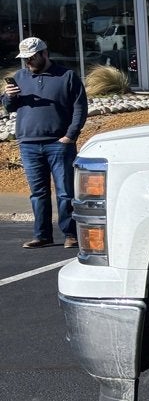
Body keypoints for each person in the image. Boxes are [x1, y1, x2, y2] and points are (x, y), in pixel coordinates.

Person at [2, 37, 87, 249]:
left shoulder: (67, 76)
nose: (28, 63)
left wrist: (70, 136)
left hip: (59, 144)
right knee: (38, 193)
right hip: (28, 144)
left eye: (31, 58)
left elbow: (79, 108)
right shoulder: (20, 77)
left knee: (65, 191)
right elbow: (9, 108)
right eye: (25, 59)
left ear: (44, 53)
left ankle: (71, 234)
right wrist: (9, 97)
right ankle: (42, 235)